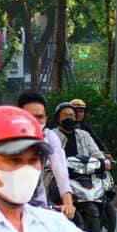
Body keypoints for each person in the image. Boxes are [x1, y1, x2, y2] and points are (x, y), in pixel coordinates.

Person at [16, 90, 74, 219]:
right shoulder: (8, 138)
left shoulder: (49, 137)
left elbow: (61, 172)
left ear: (46, 118)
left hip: (38, 207)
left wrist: (68, 203)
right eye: (30, 117)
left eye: (40, 117)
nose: (36, 121)